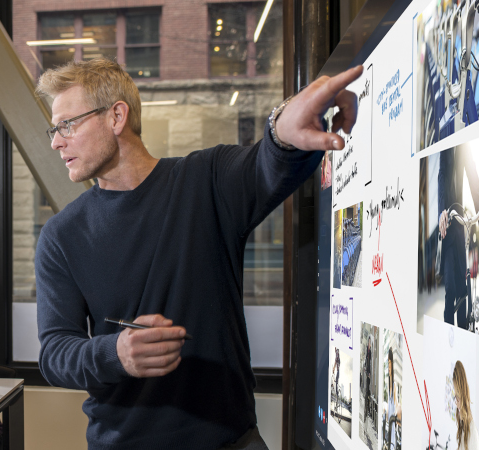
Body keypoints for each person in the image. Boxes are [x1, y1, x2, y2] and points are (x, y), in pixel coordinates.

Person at [34, 58, 363, 449]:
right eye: (55, 129)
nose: (56, 142)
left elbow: (268, 162)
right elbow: (55, 352)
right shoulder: (60, 235)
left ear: (116, 116)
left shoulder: (206, 179)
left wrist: (281, 130)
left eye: (67, 125)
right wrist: (115, 353)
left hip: (230, 441)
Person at [438, 146, 479, 328]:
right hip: (447, 226)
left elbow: (472, 171)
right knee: (450, 289)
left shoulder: (464, 146)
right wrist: (441, 212)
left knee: (463, 289)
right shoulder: (444, 142)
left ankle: (463, 332)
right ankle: (448, 335)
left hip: (460, 228)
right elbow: (442, 175)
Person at [453, 360, 479, 450]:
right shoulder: (463, 430)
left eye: (457, 397)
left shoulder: (472, 432)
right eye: (455, 397)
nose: (456, 403)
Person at [385, 348, 401, 450]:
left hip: (393, 424)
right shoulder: (388, 386)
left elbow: (396, 404)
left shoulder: (394, 385)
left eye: (390, 363)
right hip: (388, 424)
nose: (389, 366)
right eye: (388, 363)